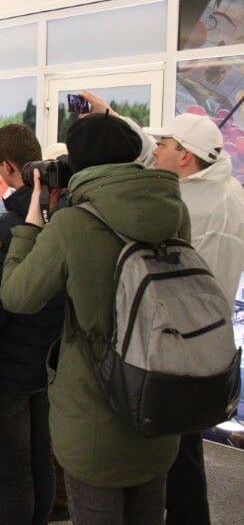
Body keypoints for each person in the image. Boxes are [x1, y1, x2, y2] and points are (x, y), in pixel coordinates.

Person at [0, 112, 188, 525]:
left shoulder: (73, 224)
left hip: (95, 422)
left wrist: (32, 224)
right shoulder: (174, 211)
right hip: (159, 408)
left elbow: (17, 296)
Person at [144, 112, 242, 525]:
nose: (157, 151)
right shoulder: (227, 188)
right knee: (186, 451)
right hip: (206, 340)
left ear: (185, 157)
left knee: (177, 456)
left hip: (180, 344)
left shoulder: (189, 205)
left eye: (165, 145)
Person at [0, 125, 63, 525]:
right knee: (41, 461)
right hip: (48, 364)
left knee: (14, 473)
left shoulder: (10, 227)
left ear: (8, 167)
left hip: (8, 369)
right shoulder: (66, 219)